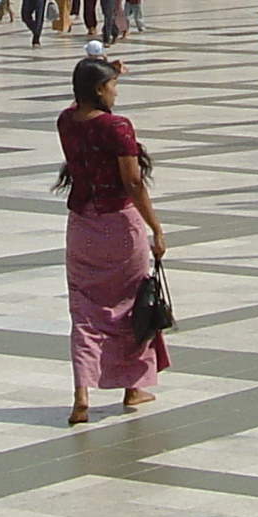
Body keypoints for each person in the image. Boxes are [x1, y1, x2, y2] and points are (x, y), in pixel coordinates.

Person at [55, 55, 169, 425]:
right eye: (112, 86)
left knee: (85, 310)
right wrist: (156, 227)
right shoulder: (117, 127)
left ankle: (81, 394)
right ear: (99, 89)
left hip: (82, 225)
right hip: (119, 224)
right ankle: (131, 386)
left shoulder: (66, 122)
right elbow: (132, 182)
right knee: (130, 303)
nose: (116, 92)